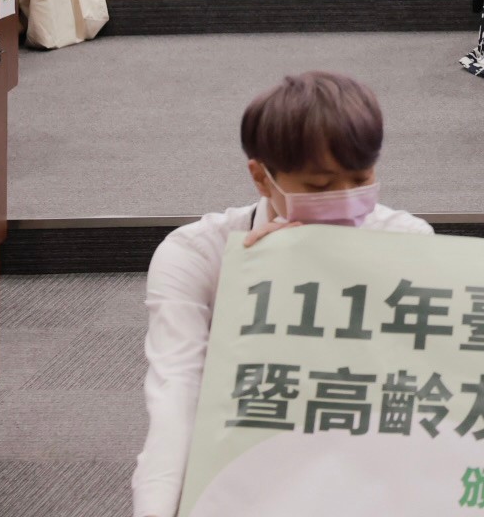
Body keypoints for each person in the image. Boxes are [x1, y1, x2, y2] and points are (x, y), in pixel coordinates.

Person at [134, 73, 430, 517]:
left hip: (368, 467)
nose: (346, 199)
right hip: (248, 466)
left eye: (361, 178)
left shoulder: (405, 241)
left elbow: (423, 391)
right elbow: (177, 396)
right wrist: (257, 290)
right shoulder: (198, 252)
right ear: (260, 176)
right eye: (319, 187)